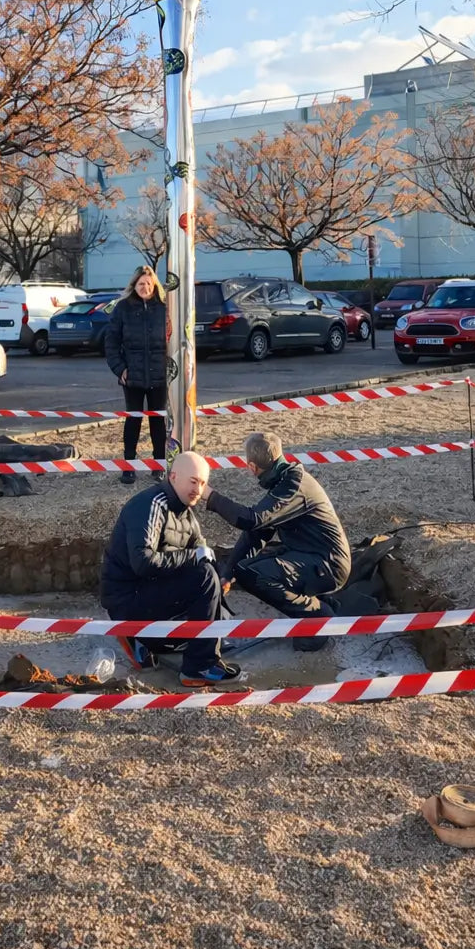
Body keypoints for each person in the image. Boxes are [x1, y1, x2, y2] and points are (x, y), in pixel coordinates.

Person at [99, 451, 243, 688]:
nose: (198, 489)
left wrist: (223, 575)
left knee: (214, 592)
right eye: (193, 481)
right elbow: (143, 562)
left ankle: (141, 639)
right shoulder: (151, 505)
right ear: (173, 476)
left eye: (203, 483)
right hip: (127, 597)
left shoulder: (186, 513)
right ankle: (199, 668)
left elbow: (202, 552)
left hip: (149, 591)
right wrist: (197, 560)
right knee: (205, 579)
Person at [206, 430, 352, 652]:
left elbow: (251, 520)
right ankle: (321, 601)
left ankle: (317, 615)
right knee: (245, 569)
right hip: (315, 557)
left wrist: (210, 497)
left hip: (328, 565)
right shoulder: (285, 480)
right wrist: (229, 573)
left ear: (252, 467)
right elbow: (257, 533)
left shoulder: (292, 485)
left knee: (254, 574)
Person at [104, 264, 168, 484]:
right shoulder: (123, 308)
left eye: (148, 283)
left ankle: (159, 465)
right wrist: (119, 368)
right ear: (134, 285)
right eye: (141, 283)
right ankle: (129, 466)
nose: (145, 287)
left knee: (158, 421)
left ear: (154, 285)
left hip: (159, 375)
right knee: (133, 420)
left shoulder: (164, 308)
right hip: (132, 376)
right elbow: (111, 342)